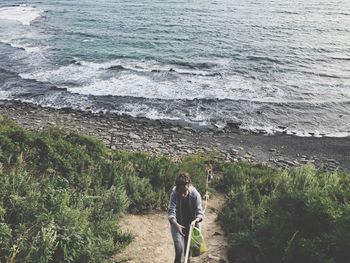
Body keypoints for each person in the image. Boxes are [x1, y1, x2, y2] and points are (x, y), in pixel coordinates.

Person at [167, 172, 204, 263]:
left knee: (188, 250)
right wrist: (176, 225)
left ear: (188, 186)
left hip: (191, 224)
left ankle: (187, 260)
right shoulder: (174, 194)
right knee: (179, 250)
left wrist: (195, 221)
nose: (182, 194)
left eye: (184, 192)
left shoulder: (195, 195)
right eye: (180, 191)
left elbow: (200, 213)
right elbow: (171, 213)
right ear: (177, 188)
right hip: (177, 224)